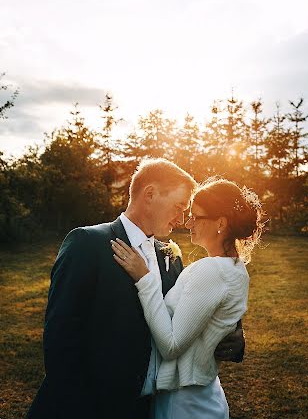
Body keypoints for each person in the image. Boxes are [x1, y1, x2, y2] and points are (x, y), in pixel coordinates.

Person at [26, 158, 244, 419]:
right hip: (90, 407)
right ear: (150, 194)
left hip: (147, 409)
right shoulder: (88, 243)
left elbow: (184, 317)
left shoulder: (171, 257)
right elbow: (61, 340)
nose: (182, 219)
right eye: (178, 207)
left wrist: (233, 337)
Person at [111, 177, 263, 419]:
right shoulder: (235, 267)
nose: (187, 222)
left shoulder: (211, 270)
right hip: (199, 394)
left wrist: (144, 278)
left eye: (196, 216)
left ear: (220, 223)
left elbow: (171, 346)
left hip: (185, 404)